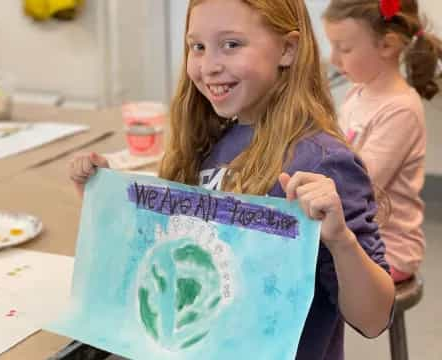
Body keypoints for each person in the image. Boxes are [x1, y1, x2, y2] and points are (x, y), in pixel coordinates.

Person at [69, 0, 394, 358]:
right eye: (198, 47)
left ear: (288, 49)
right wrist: (105, 202)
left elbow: (374, 317)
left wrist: (341, 240)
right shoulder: (209, 142)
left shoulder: (322, 162)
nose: (209, 66)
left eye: (232, 45)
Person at [323, 0, 442, 282]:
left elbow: (360, 187)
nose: (335, 59)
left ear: (387, 46)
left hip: (387, 249)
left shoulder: (401, 110)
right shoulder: (358, 91)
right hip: (356, 231)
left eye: (345, 48)